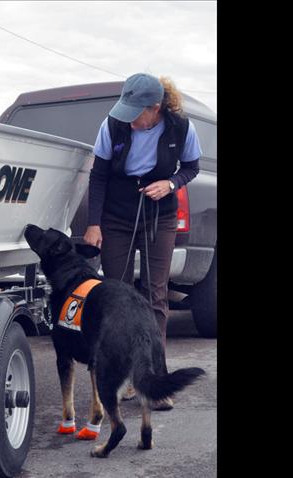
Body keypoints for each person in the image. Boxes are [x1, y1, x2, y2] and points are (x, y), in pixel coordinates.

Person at [83, 73, 202, 410]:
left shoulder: (180, 127)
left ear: (155, 108)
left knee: (155, 294)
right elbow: (99, 175)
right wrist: (94, 224)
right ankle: (122, 379)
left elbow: (191, 166)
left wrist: (171, 183)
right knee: (117, 295)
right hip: (117, 216)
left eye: (136, 112)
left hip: (159, 215)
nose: (129, 119)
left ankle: (155, 380)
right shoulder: (112, 125)